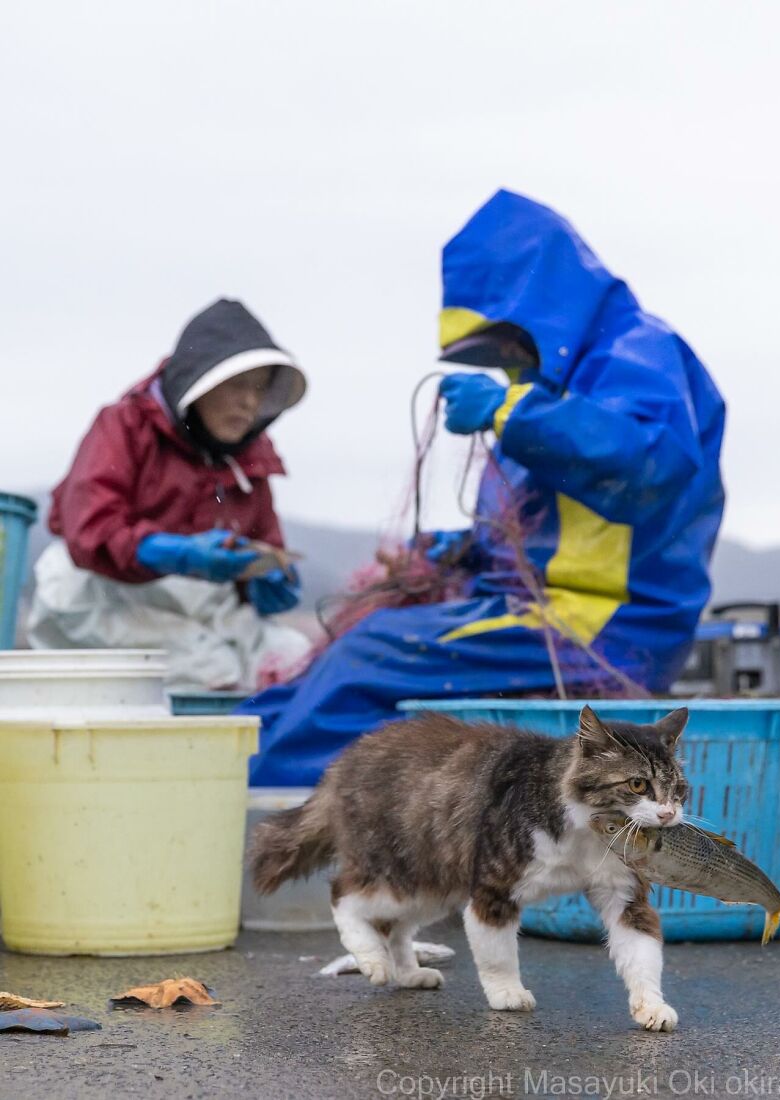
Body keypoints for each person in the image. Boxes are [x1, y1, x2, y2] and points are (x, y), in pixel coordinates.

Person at [241, 190, 726, 786]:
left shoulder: (637, 353)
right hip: (540, 610)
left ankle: (261, 815)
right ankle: (219, 763)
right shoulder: (551, 383)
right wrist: (464, 548)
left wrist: (509, 411)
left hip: (604, 624)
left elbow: (649, 462)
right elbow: (558, 523)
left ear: (540, 306)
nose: (504, 363)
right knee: (340, 654)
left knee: (372, 654)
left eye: (508, 342)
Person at [29, 298, 311, 690]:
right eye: (237, 385)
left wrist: (270, 583)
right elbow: (90, 527)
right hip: (106, 594)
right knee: (211, 670)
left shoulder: (249, 462)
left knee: (294, 658)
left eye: (259, 388)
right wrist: (174, 553)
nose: (249, 402)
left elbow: (267, 547)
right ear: (198, 382)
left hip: (199, 615)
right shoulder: (125, 427)